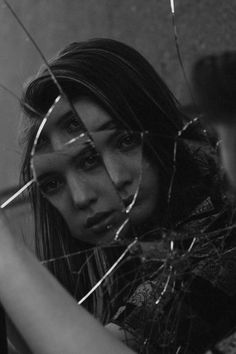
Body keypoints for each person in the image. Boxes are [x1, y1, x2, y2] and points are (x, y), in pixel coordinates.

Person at [2, 38, 236, 354]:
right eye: (52, 183)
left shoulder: (224, 223)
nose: (81, 197)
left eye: (90, 159)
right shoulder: (128, 265)